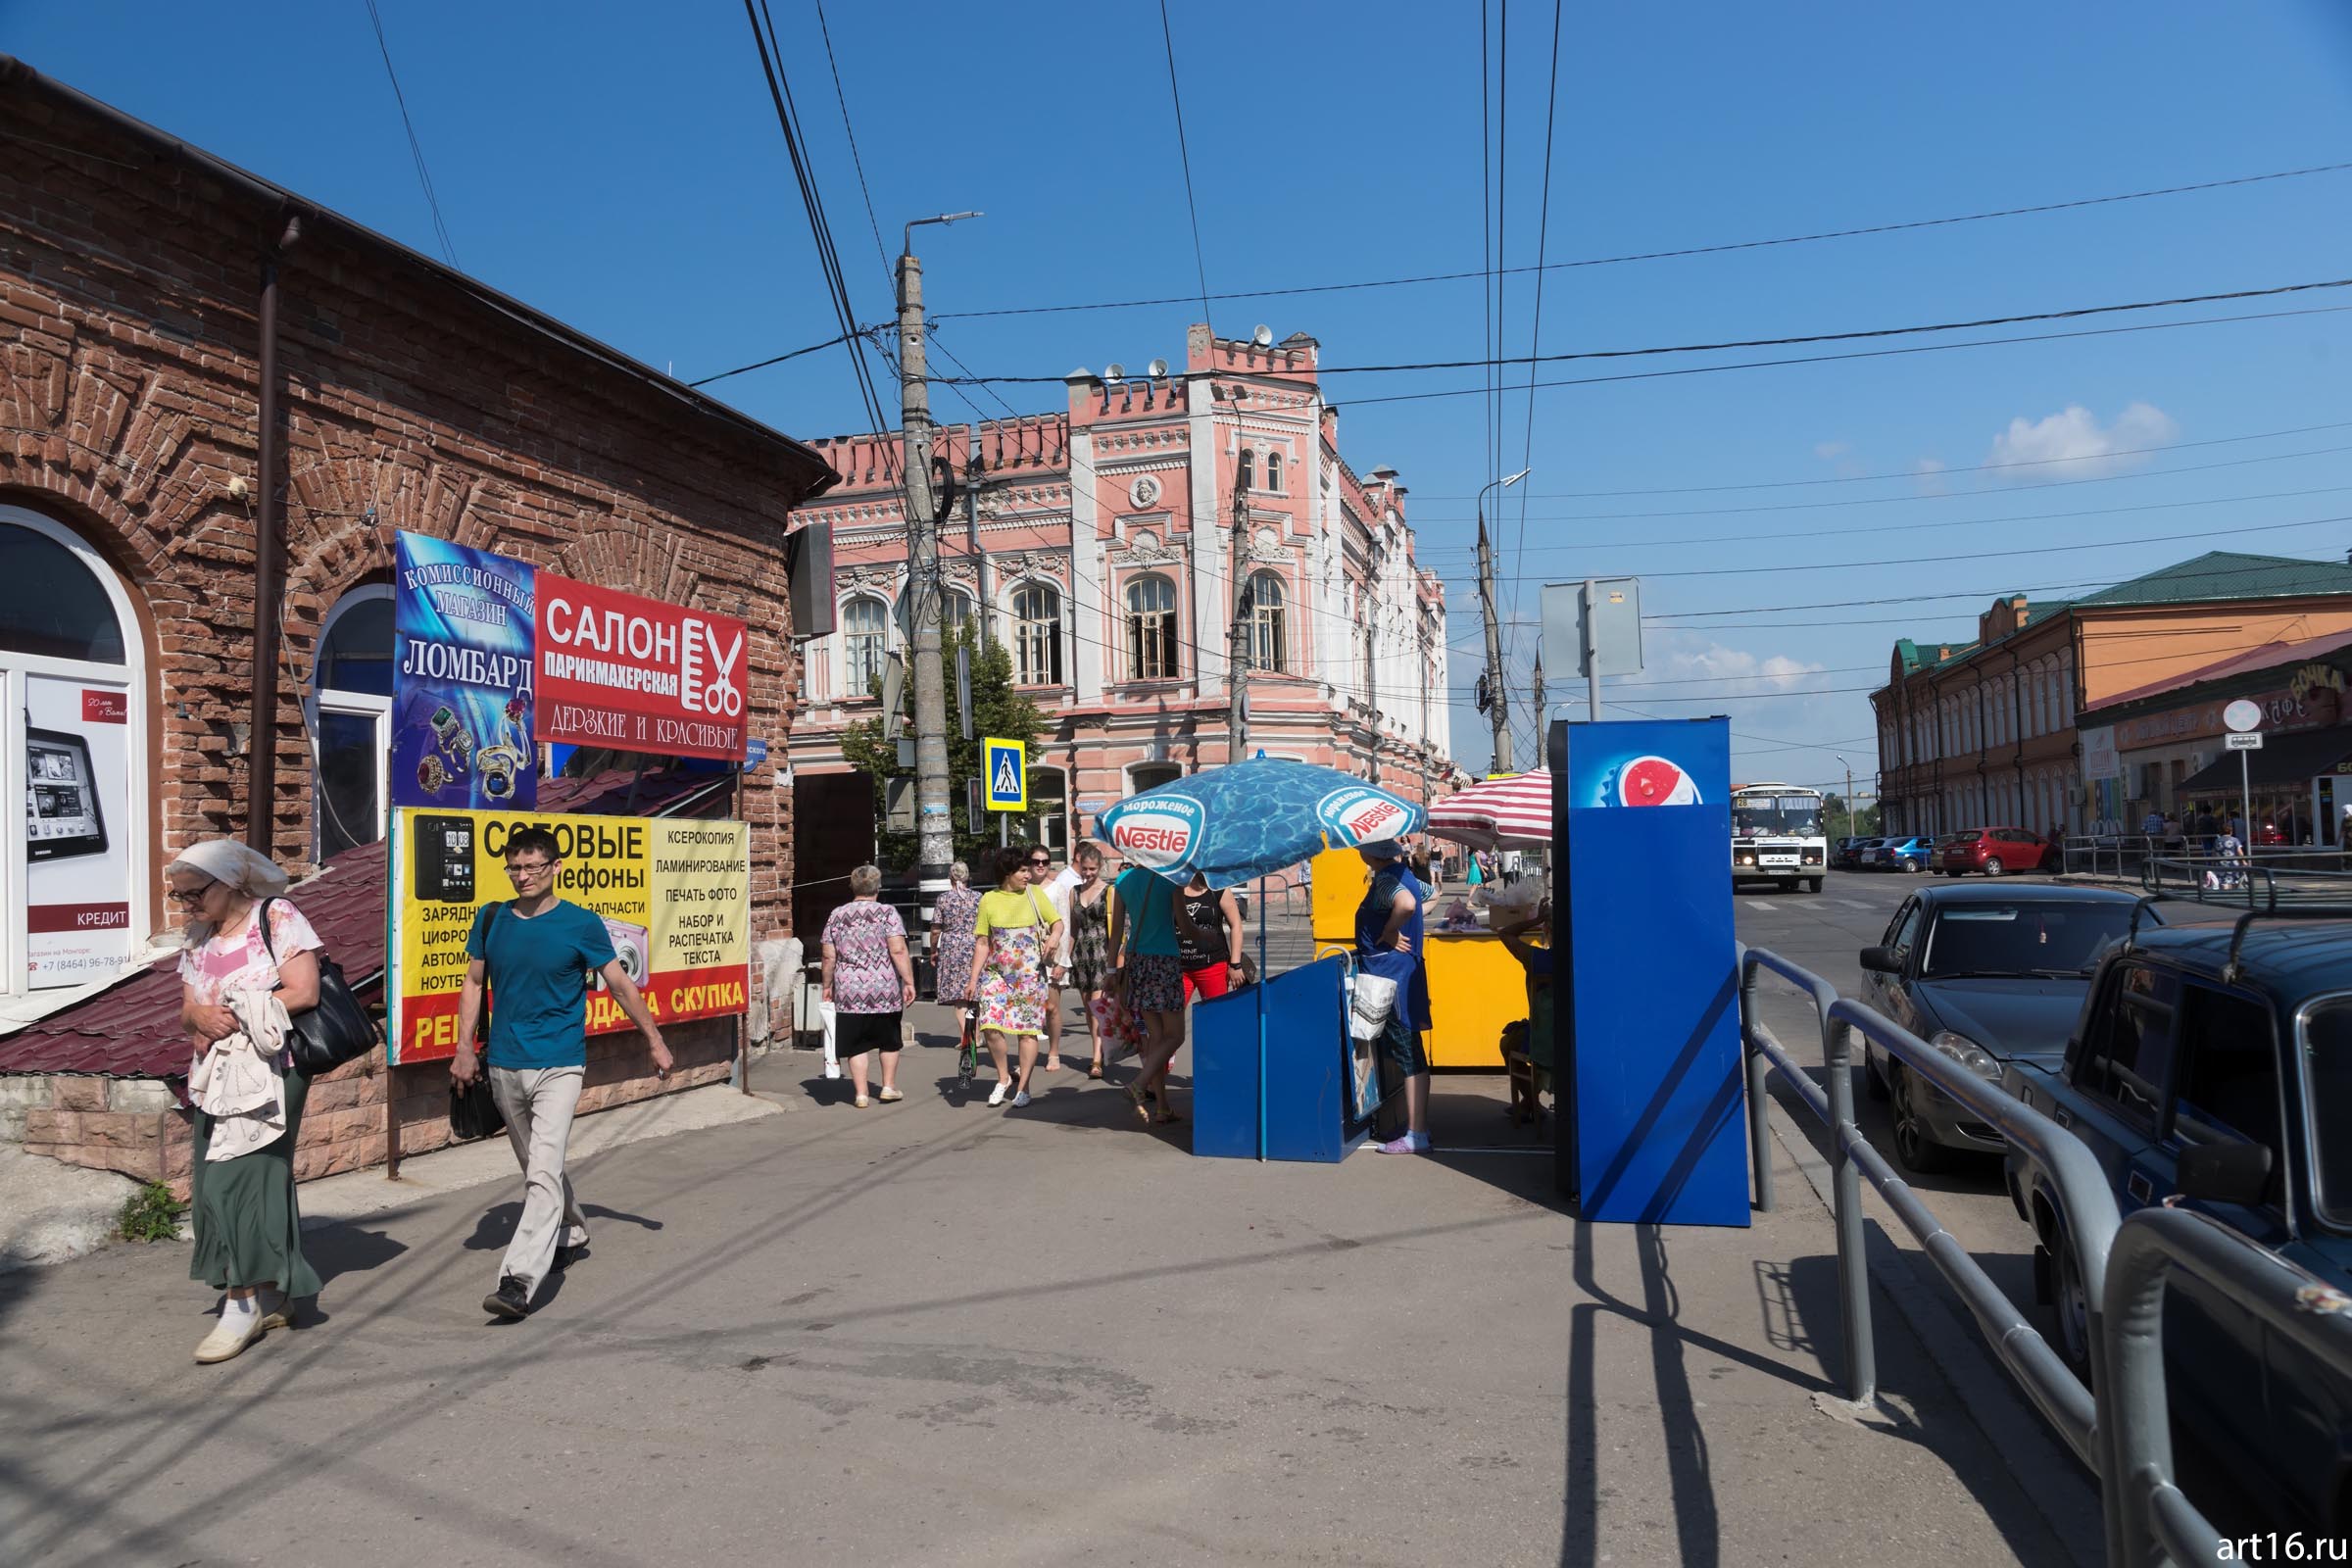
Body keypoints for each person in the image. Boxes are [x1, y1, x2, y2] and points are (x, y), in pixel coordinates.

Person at [453, 825, 672, 1322]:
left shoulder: (581, 924)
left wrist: (654, 1039)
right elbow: (471, 983)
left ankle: (518, 1280)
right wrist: (464, 1048)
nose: (522, 875)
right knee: (538, 1167)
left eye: (532, 866)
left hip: (560, 1063)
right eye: (515, 866)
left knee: (542, 1168)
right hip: (505, 1062)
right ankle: (572, 1229)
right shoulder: (491, 919)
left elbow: (620, 984)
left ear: (555, 868)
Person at [171, 840, 323, 1364]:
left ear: (228, 882)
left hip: (270, 1071)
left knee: (232, 1180)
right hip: (214, 1074)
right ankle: (279, 1290)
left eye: (193, 894)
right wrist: (200, 1019)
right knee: (258, 1177)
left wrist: (228, 1017)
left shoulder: (275, 915)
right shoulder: (196, 936)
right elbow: (189, 1010)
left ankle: (242, 1304)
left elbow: (304, 991)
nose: (186, 905)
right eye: (179, 896)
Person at [968, 844, 1062, 1108]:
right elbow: (983, 943)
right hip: (996, 974)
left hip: (1029, 975)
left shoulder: (1033, 895)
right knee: (990, 1025)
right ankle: (1003, 1078)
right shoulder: (988, 899)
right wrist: (973, 979)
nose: (1028, 875)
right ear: (1007, 873)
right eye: (1022, 870)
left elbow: (1056, 922)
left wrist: (1054, 936)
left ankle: (1024, 1088)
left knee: (1027, 1032)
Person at [1355, 838, 1433, 1154]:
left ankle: (1417, 1133)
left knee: (1408, 1052)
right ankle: (1415, 1127)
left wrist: (1391, 930)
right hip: (1403, 972)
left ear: (1372, 853)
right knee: (1409, 1050)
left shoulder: (1388, 879)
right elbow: (1428, 897)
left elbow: (1408, 905)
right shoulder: (1405, 874)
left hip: (1391, 977)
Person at [820, 865, 916, 1108]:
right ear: (878, 887)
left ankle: (861, 1094)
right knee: (889, 1040)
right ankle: (887, 1087)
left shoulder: (837, 915)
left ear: (852, 887)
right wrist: (909, 980)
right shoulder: (887, 913)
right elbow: (897, 949)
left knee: (856, 1043)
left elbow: (828, 957)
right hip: (884, 988)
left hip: (849, 990)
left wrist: (827, 986)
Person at [1106, 858, 1187, 1125]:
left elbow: (1116, 930)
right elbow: (1184, 926)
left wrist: (1109, 971)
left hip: (1136, 960)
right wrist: (1207, 937)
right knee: (1175, 1036)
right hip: (1164, 960)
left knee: (1156, 1038)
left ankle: (1163, 1107)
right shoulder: (1171, 880)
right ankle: (1139, 1084)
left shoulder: (1123, 880)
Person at [1062, 845, 1115, 1079]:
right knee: (1088, 1008)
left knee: (1097, 1008)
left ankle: (1096, 1058)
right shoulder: (1074, 891)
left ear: (1100, 866)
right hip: (1082, 956)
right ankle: (1099, 1051)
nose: (1088, 873)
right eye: (1085, 868)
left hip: (1102, 953)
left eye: (1092, 869)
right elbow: (1073, 928)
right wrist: (1065, 957)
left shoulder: (1109, 892)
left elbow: (1117, 930)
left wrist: (1116, 962)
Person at [1029, 845, 1074, 1072]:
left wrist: (1062, 961)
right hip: (1026, 958)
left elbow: (1064, 925)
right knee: (1029, 1011)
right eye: (1036, 861)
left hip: (1051, 958)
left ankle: (1054, 1052)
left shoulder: (1057, 889)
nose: (1040, 865)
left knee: (1051, 1008)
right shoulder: (1022, 888)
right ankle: (1028, 1056)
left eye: (1045, 862)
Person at [931, 861, 984, 1056]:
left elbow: (936, 928)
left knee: (959, 996)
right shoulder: (978, 897)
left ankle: (968, 1037)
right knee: (973, 993)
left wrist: (933, 950)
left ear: (950, 877)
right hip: (975, 945)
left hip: (952, 946)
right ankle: (976, 1035)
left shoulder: (944, 899)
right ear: (968, 876)